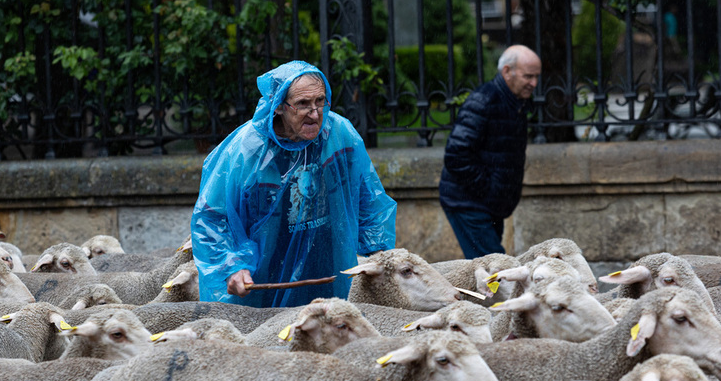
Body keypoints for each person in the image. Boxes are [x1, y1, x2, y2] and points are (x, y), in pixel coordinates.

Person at [191, 60, 397, 308]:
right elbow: (212, 217)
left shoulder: (339, 134)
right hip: (262, 274)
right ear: (278, 106)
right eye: (302, 104)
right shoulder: (245, 151)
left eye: (320, 101)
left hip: (329, 260)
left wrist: (377, 252)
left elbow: (369, 198)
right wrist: (230, 267)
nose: (315, 113)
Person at [438, 44, 541, 259]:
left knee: (489, 270)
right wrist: (490, 190)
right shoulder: (484, 101)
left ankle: (477, 293)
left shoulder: (515, 102)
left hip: (489, 205)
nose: (534, 83)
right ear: (507, 72)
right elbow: (456, 155)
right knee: (495, 270)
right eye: (528, 76)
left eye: (536, 77)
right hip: (469, 204)